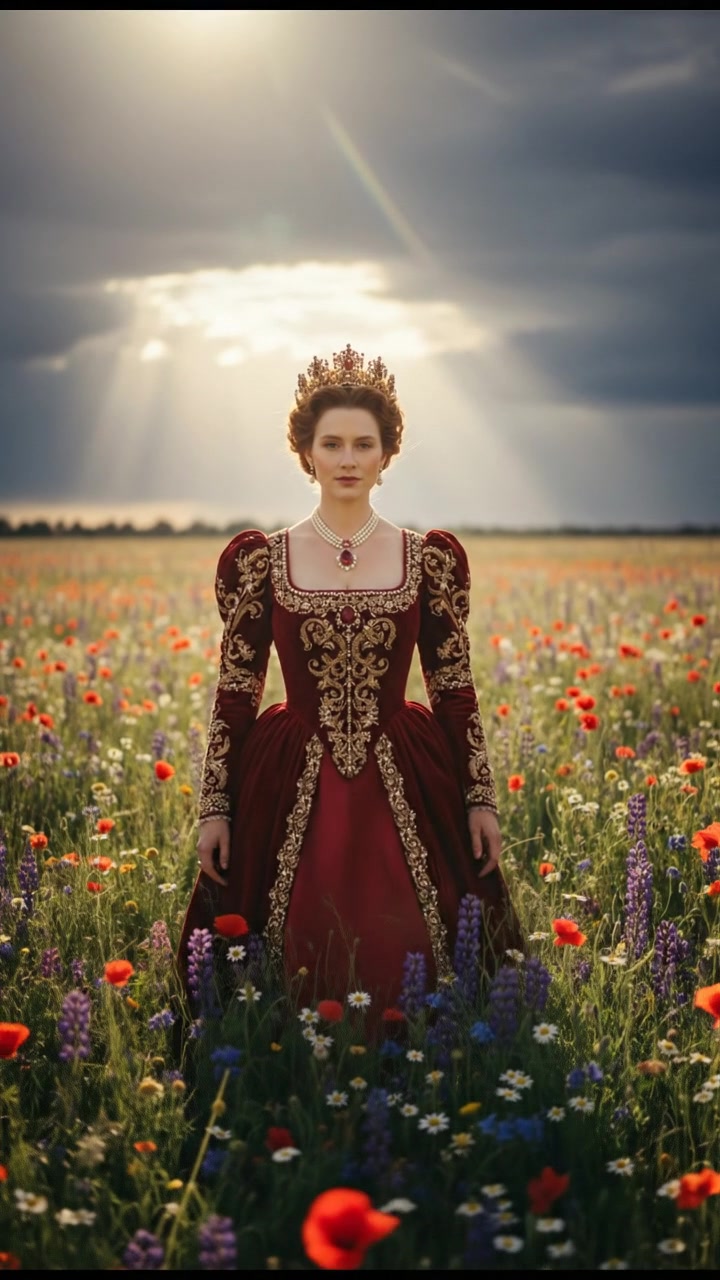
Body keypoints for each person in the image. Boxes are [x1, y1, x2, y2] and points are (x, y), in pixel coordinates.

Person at [178, 344, 521, 1010]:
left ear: (386, 454)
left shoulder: (426, 560)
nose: (346, 459)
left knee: (424, 956)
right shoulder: (263, 563)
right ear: (305, 452)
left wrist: (480, 798)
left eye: (363, 444)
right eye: (330, 443)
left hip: (408, 770)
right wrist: (216, 809)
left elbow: (453, 690)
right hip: (285, 773)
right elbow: (235, 696)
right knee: (272, 972)